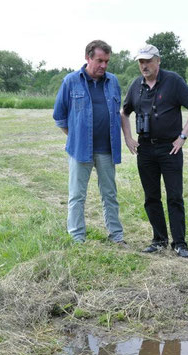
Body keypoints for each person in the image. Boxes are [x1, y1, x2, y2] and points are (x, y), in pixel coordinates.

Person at [121, 44, 188, 258]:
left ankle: (179, 243)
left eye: (148, 61)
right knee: (151, 197)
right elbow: (124, 112)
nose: (144, 65)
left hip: (170, 148)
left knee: (174, 196)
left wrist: (183, 137)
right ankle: (159, 240)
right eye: (141, 61)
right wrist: (128, 138)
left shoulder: (173, 81)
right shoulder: (135, 85)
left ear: (158, 61)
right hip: (145, 149)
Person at [53, 40, 126, 245]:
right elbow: (60, 116)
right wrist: (76, 137)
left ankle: (116, 236)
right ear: (88, 58)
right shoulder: (70, 81)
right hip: (79, 151)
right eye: (99, 60)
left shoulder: (113, 82)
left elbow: (118, 113)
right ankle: (77, 238)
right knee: (77, 196)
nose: (103, 65)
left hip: (107, 150)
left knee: (110, 195)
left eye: (107, 61)